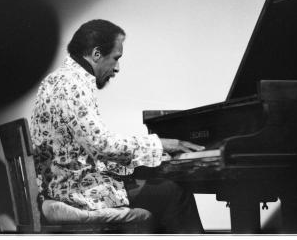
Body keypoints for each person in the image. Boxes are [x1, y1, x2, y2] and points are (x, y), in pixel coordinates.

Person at [30, 19, 205, 233]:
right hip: (77, 194)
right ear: (96, 54)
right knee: (174, 193)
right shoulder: (71, 84)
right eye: (116, 58)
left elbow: (85, 148)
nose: (117, 68)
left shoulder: (55, 80)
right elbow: (102, 144)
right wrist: (160, 145)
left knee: (153, 187)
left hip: (63, 187)